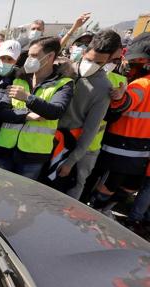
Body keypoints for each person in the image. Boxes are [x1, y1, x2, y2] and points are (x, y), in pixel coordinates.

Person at [53, 30, 122, 199]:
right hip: (46, 139)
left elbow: (91, 129)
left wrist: (71, 161)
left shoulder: (103, 88)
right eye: (89, 59)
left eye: (98, 62)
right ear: (84, 52)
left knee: (68, 191)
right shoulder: (65, 69)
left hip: (70, 147)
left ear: (107, 61)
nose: (91, 65)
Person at [0, 37, 74, 179]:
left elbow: (56, 111)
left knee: (22, 195)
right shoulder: (19, 79)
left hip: (33, 156)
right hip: (5, 149)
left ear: (50, 57)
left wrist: (27, 98)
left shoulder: (63, 84)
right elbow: (1, 112)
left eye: (34, 55)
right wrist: (26, 116)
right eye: (29, 55)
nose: (29, 59)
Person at [88, 33, 150, 215]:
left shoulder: (141, 84)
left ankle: (96, 212)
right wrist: (121, 96)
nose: (128, 65)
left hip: (121, 149)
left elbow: (126, 102)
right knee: (126, 187)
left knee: (110, 187)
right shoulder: (141, 84)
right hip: (134, 151)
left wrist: (120, 97)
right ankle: (101, 211)